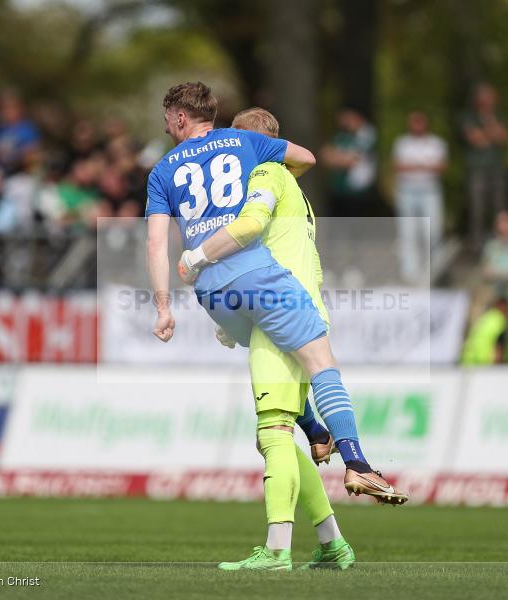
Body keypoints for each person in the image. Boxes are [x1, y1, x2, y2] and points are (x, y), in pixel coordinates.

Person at [145, 82, 403, 569]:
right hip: (280, 296)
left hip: (240, 295)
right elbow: (306, 158)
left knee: (274, 430)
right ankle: (339, 498)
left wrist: (175, 288)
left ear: (178, 118)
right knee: (283, 419)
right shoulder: (279, 176)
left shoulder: (240, 173)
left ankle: (292, 540)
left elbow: (175, 240)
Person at [209, 108, 356, 571]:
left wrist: (199, 260)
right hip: (298, 309)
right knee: (281, 434)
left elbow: (251, 227)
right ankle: (332, 542)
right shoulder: (295, 187)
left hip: (279, 312)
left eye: (235, 141)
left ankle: (276, 550)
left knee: (272, 432)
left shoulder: (267, 173)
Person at [391, 111, 447, 283]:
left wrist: (414, 166)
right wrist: (425, 165)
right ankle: (410, 273)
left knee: (433, 231)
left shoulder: (436, 143)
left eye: (420, 122)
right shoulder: (402, 143)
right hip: (406, 191)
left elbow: (440, 167)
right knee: (408, 232)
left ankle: (434, 270)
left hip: (430, 191)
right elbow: (399, 167)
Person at [461, 83, 508, 245]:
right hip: (477, 169)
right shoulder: (469, 117)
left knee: (499, 208)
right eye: (485, 97)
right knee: (477, 208)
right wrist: (492, 133)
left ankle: (500, 243)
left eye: (491, 97)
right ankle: (477, 244)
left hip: (497, 168)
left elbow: (504, 138)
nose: (488, 100)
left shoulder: (498, 115)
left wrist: (487, 131)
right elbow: (476, 139)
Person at [320, 107, 378, 216]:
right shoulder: (341, 136)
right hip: (338, 190)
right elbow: (325, 156)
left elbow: (351, 160)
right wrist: (342, 158)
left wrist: (336, 157)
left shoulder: (367, 134)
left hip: (358, 192)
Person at [0, 91, 40, 175]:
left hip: (21, 173)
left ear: (19, 109)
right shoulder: (1, 129)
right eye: (2, 109)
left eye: (9, 108)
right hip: (1, 171)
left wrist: (14, 156)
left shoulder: (28, 129)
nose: (5, 112)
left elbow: (32, 154)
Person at [461, 296, 508, 365]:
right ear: (501, 306)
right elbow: (499, 347)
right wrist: (499, 367)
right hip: (485, 364)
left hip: (469, 362)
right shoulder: (499, 320)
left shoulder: (487, 318)